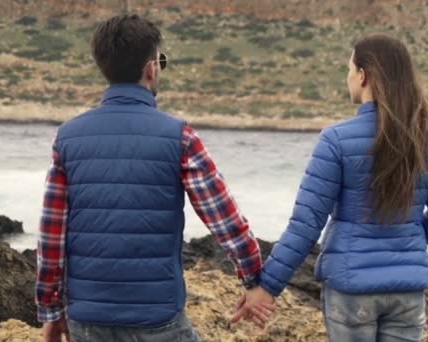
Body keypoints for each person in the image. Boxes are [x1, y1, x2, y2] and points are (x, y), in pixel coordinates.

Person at [35, 14, 273, 342]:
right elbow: (225, 221)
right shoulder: (180, 137)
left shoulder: (68, 137)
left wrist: (50, 311)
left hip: (87, 318)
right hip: (157, 317)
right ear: (151, 68)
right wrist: (254, 281)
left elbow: (51, 235)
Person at [234, 33, 428, 341]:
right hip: (408, 290)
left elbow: (305, 226)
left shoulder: (336, 140)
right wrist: (406, 238)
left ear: (363, 76)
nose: (348, 77)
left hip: (351, 287)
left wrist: (267, 287)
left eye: (349, 69)